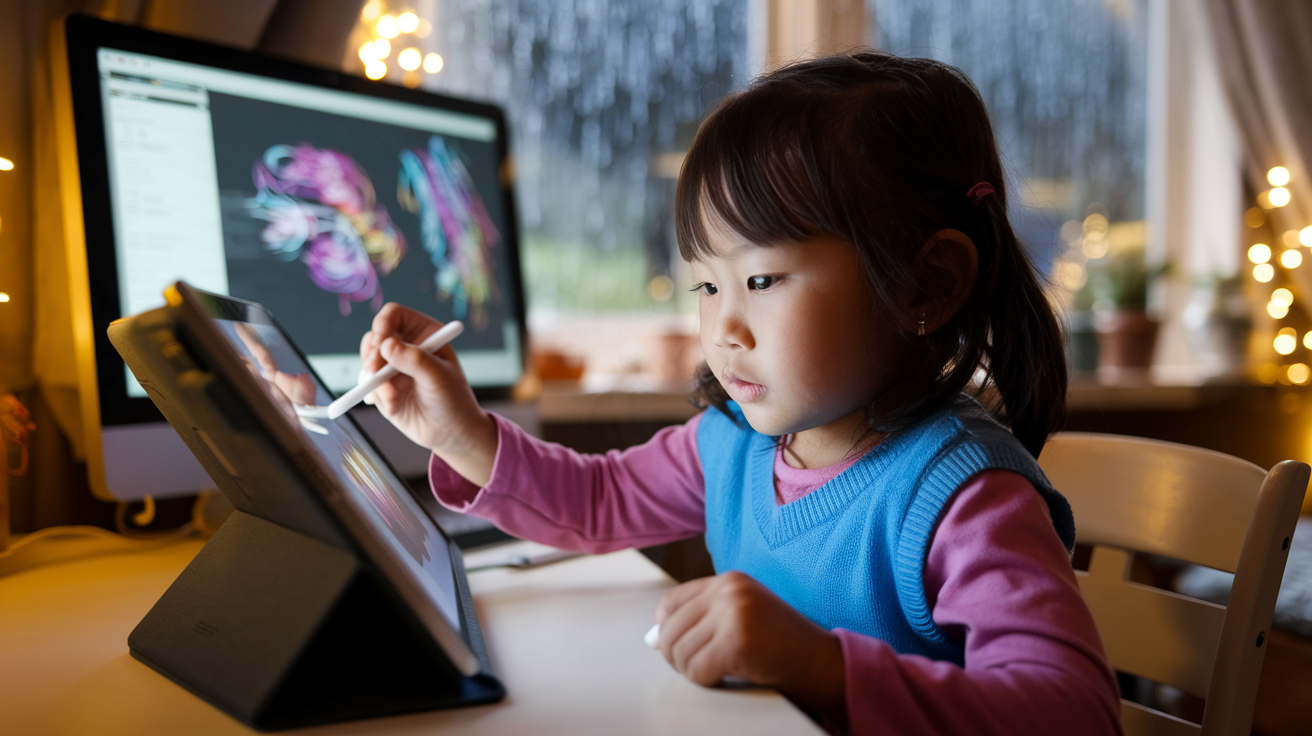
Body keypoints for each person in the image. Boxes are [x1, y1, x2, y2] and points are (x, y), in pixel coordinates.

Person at [359, 51, 1122, 735]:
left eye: (760, 279)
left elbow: (1074, 712)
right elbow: (600, 500)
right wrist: (459, 432)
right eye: (705, 283)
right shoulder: (736, 443)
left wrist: (823, 666)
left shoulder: (964, 498)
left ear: (928, 282)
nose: (723, 327)